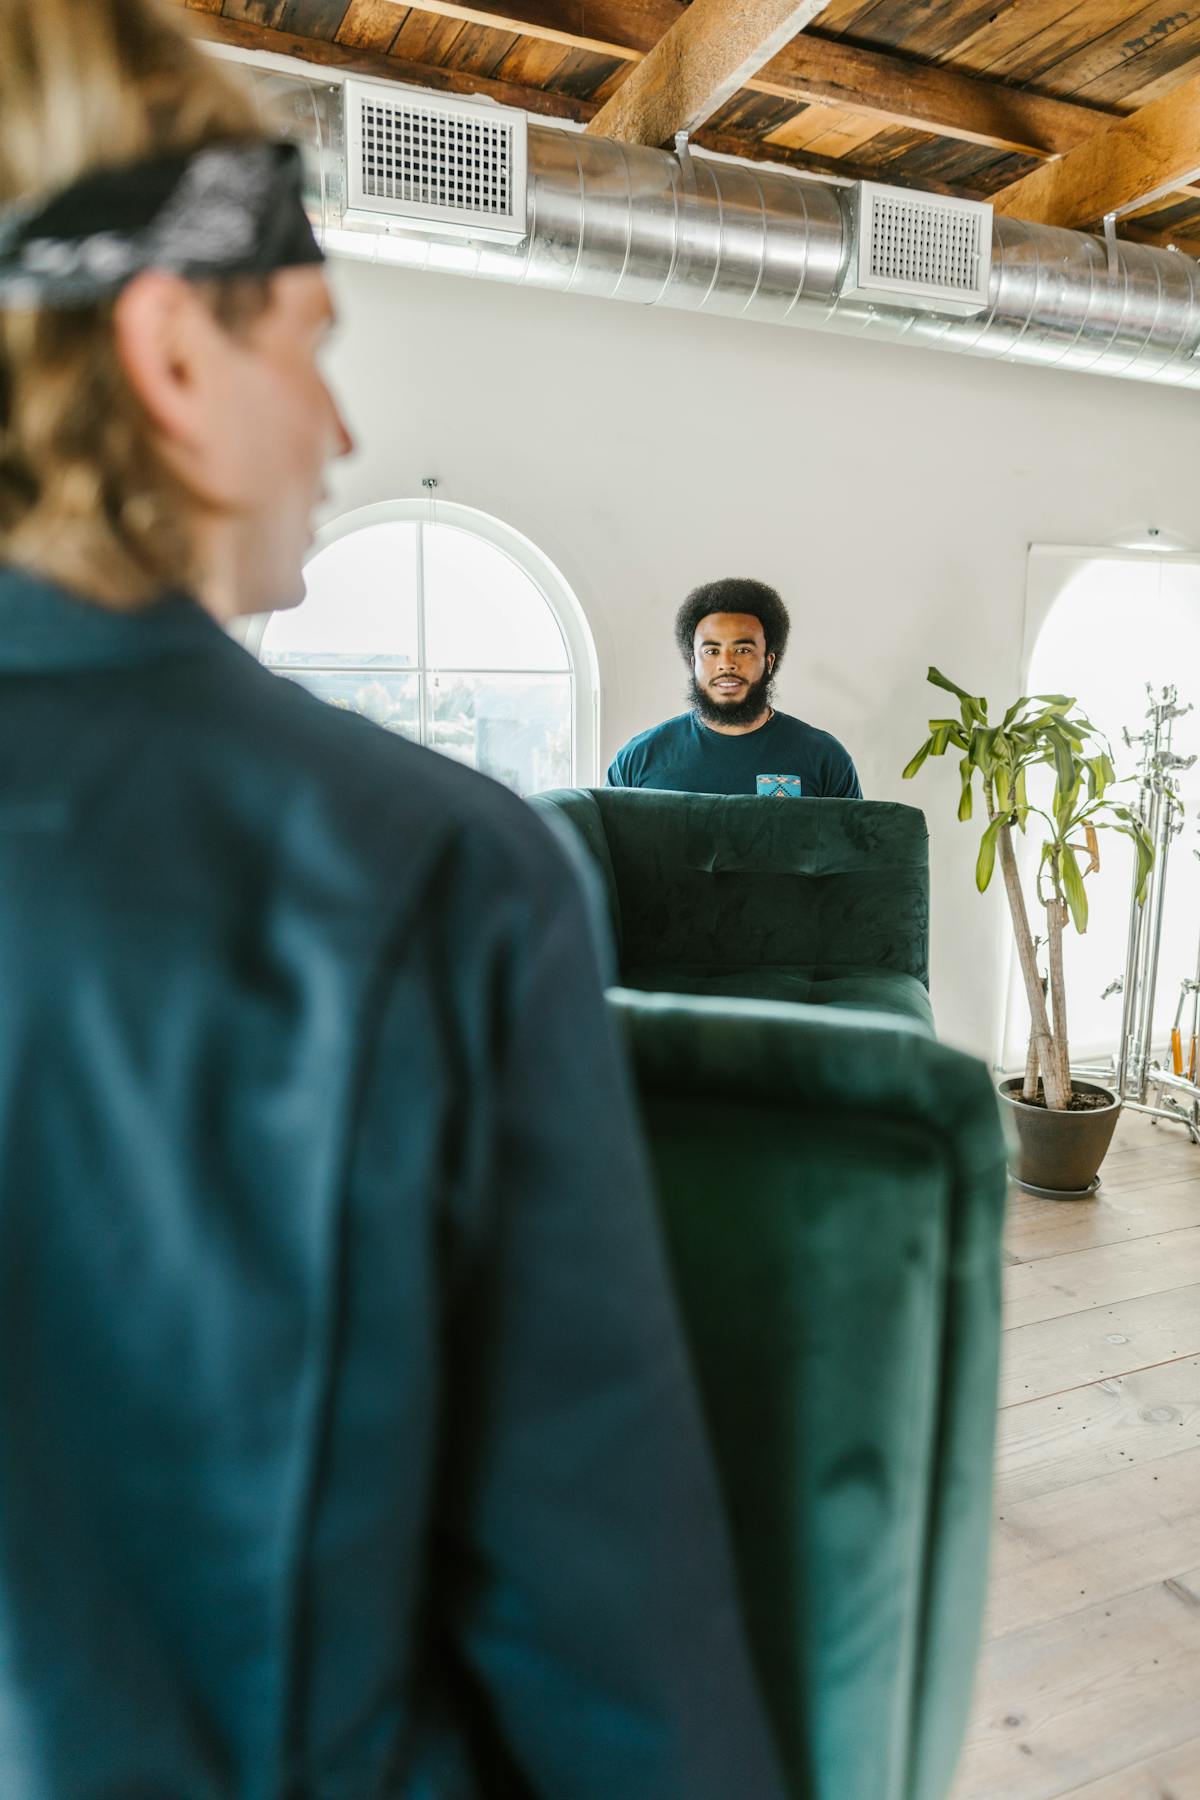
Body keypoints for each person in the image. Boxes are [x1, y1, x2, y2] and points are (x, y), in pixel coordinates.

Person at [0, 6, 790, 1798]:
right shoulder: (433, 870)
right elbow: (612, 1651)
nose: (343, 425)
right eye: (312, 342)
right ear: (172, 357)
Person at [608, 576, 863, 797]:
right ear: (692, 661)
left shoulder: (825, 758)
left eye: (743, 650)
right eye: (712, 650)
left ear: (769, 661)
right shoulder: (638, 760)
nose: (726, 664)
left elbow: (858, 851)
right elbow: (607, 851)